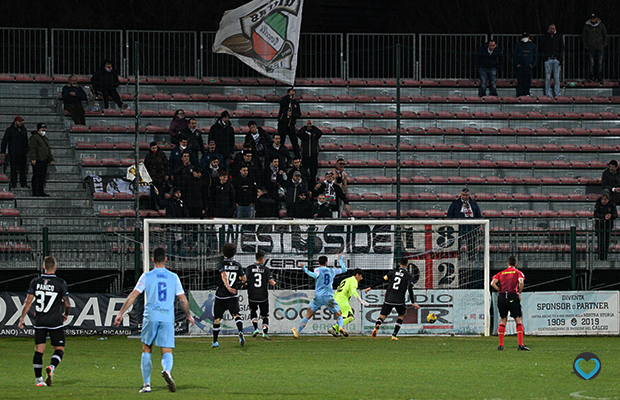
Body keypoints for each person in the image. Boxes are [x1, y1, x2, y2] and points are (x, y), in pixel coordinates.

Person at [114, 247, 195, 393]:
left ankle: (147, 385)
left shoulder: (147, 276)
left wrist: (121, 313)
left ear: (152, 259)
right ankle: (167, 371)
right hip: (167, 317)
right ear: (165, 258)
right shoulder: (174, 277)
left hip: (151, 316)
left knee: (147, 349)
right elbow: (183, 299)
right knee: (166, 350)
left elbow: (133, 295)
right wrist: (188, 315)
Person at [18, 256, 70, 387]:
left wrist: (21, 318)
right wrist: (66, 314)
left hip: (40, 322)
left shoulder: (35, 282)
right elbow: (67, 304)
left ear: (43, 267)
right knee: (59, 349)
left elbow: (28, 302)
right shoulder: (60, 283)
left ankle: (38, 380)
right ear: (55, 267)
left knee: (38, 350)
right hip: (55, 322)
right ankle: (51, 367)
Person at [292, 255, 347, 338]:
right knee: (338, 314)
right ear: (326, 262)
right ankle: (340, 327)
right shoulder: (332, 270)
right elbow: (344, 270)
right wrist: (340, 260)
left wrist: (304, 269)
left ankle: (298, 333)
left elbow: (314, 275)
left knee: (308, 314)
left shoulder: (317, 269)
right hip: (328, 297)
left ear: (318, 263)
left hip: (318, 297)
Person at [365, 257, 420, 340]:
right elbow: (410, 289)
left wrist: (371, 287)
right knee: (401, 315)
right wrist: (413, 302)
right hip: (399, 300)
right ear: (407, 265)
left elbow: (382, 280)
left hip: (389, 298)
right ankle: (394, 335)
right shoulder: (409, 276)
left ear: (399, 264)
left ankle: (378, 325)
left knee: (382, 316)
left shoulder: (392, 272)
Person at [212, 242, 247, 348]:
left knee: (217, 318)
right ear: (234, 253)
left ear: (224, 252)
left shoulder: (221, 264)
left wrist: (227, 287)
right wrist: (242, 282)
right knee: (236, 315)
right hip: (232, 296)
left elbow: (223, 275)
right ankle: (240, 332)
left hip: (221, 295)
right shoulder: (237, 265)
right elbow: (244, 278)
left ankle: (215, 341)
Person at [490, 255, 529, 351]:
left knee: (503, 319)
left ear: (507, 264)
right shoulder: (518, 272)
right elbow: (521, 282)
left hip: (502, 297)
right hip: (512, 296)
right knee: (518, 319)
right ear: (516, 264)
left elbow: (492, 283)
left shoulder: (501, 273)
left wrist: (499, 289)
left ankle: (501, 345)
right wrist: (519, 291)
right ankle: (520, 345)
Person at [328, 268, 369, 337]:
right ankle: (334, 328)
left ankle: (337, 331)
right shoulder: (354, 280)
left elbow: (338, 290)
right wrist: (360, 300)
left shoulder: (345, 280)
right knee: (350, 317)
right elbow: (353, 290)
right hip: (342, 300)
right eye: (361, 276)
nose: (361, 279)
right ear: (357, 275)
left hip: (336, 299)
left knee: (342, 317)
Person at [245, 251, 277, 339]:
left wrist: (246, 283)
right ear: (263, 259)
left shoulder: (249, 268)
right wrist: (274, 282)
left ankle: (255, 329)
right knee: (265, 315)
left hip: (252, 295)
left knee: (253, 311)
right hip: (263, 296)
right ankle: (264, 332)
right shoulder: (266, 269)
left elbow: (245, 279)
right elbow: (272, 282)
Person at [447, 188, 482, 261]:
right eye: (463, 195)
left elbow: (478, 215)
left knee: (471, 244)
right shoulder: (455, 203)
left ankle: (471, 259)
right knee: (458, 243)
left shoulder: (473, 204)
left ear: (469, 195)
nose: (465, 196)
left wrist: (477, 226)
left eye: (466, 195)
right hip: (459, 227)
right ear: (461, 194)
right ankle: (457, 258)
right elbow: (449, 215)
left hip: (471, 227)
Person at [1, 116, 29, 189]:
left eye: (21, 122)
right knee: (13, 169)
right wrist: (3, 151)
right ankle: (13, 183)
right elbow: (4, 141)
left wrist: (27, 150)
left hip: (22, 152)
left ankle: (23, 183)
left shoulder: (23, 130)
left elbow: (26, 141)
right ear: (15, 122)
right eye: (19, 122)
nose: (21, 123)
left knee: (23, 169)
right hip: (13, 152)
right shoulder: (10, 130)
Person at [29, 123, 54, 197]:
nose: (44, 130)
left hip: (44, 160)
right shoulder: (35, 137)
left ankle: (40, 191)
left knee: (42, 177)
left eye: (45, 129)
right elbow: (32, 148)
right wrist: (33, 158)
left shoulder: (45, 139)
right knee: (36, 176)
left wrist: (51, 158)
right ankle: (35, 191)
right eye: (42, 129)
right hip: (38, 160)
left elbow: (48, 150)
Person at [144, 141, 170, 211]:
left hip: (161, 178)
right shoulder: (148, 156)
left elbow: (166, 165)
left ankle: (161, 207)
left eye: (155, 148)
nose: (154, 149)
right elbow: (146, 167)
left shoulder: (162, 154)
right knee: (153, 194)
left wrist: (167, 174)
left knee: (161, 193)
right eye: (153, 148)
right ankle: (153, 208)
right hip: (152, 178)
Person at [539, 24, 564, 97]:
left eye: (553, 28)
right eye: (550, 28)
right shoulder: (545, 36)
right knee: (547, 77)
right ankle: (547, 93)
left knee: (556, 78)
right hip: (548, 59)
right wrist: (544, 58)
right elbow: (542, 47)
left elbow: (561, 48)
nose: (551, 30)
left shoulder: (559, 36)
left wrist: (560, 59)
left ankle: (557, 93)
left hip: (556, 59)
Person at [582, 13, 607, 83]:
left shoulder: (601, 26)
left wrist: (603, 44)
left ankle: (599, 77)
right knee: (591, 63)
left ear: (596, 18)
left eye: (594, 18)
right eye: (591, 18)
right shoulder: (587, 26)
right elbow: (584, 37)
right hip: (591, 48)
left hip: (599, 47)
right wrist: (587, 46)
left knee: (600, 63)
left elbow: (605, 35)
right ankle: (592, 77)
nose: (592, 20)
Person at [277, 87, 301, 159]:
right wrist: (288, 96)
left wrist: (292, 114)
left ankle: (297, 156)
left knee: (294, 142)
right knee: (281, 141)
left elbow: (298, 114)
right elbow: (281, 103)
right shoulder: (285, 101)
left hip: (291, 124)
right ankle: (279, 156)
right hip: (283, 124)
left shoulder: (295, 103)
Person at [513, 32, 538, 97]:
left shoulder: (532, 45)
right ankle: (520, 93)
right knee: (520, 80)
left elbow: (535, 55)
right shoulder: (518, 45)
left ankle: (527, 92)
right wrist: (517, 64)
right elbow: (514, 55)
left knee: (527, 80)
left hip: (528, 66)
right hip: (520, 66)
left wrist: (533, 65)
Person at [594, 193, 617, 261]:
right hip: (600, 226)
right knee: (600, 242)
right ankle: (600, 257)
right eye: (603, 199)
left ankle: (605, 257)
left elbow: (615, 214)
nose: (604, 201)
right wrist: (604, 216)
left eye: (606, 199)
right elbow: (596, 214)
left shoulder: (612, 204)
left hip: (608, 226)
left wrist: (611, 216)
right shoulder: (598, 203)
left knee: (606, 242)